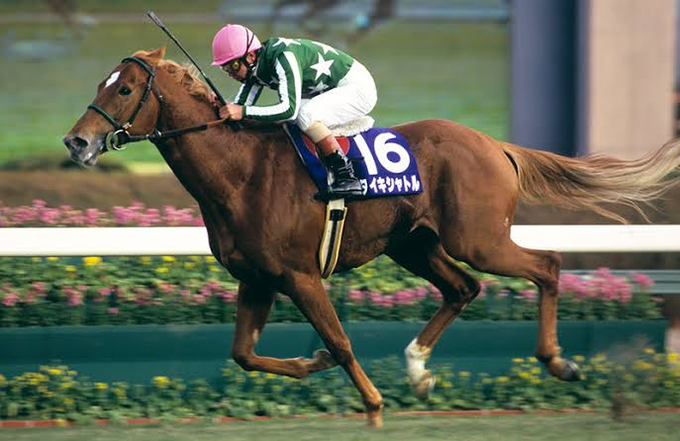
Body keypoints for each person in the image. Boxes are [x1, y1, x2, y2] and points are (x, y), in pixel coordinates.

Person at [211, 24, 377, 198]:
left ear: (250, 56)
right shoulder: (256, 67)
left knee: (305, 116)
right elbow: (240, 107)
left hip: (358, 87)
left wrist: (242, 112)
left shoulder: (283, 57)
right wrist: (225, 107)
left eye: (234, 65)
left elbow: (287, 110)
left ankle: (346, 176)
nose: (230, 72)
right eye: (225, 68)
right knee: (293, 119)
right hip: (329, 89)